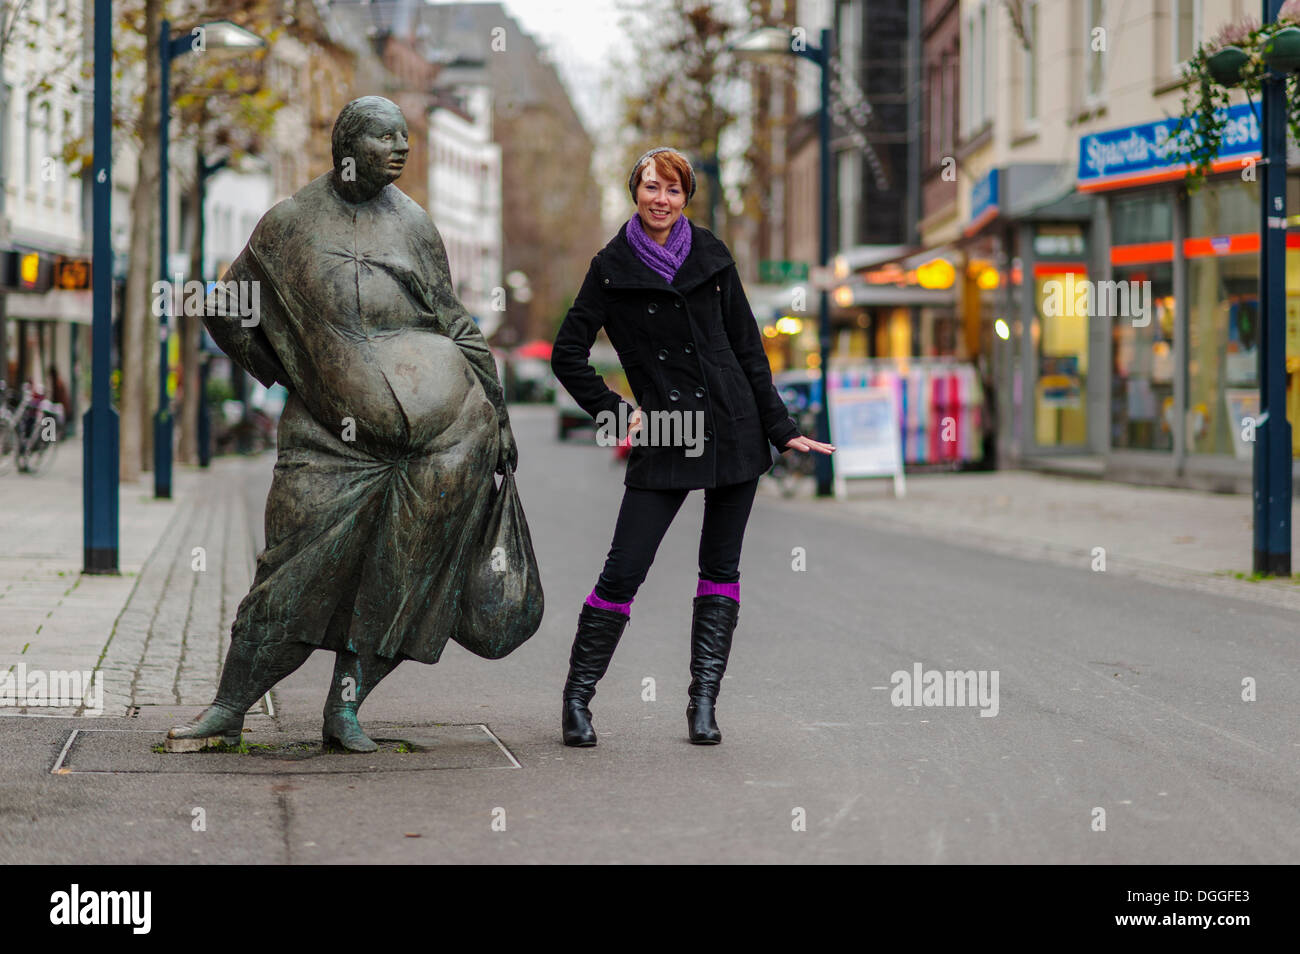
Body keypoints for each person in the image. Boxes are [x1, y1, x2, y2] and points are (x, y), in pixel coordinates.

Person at [168, 96, 517, 752]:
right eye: (386, 137)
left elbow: (453, 319)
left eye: (407, 136)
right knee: (293, 564)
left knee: (401, 574)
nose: (403, 147)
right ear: (346, 148)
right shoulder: (288, 225)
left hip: (444, 438)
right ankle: (229, 706)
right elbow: (228, 309)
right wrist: (290, 371)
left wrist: (496, 415)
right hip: (330, 437)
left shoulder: (415, 224)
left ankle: (345, 709)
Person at [551, 147, 833, 747]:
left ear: (686, 197)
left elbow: (748, 350)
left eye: (673, 190)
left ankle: (702, 705)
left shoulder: (711, 255)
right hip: (666, 433)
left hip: (734, 428)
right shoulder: (611, 266)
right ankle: (577, 701)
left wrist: (781, 428)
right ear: (635, 191)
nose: (662, 199)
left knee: (720, 570)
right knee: (623, 570)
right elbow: (566, 353)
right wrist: (616, 414)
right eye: (651, 187)